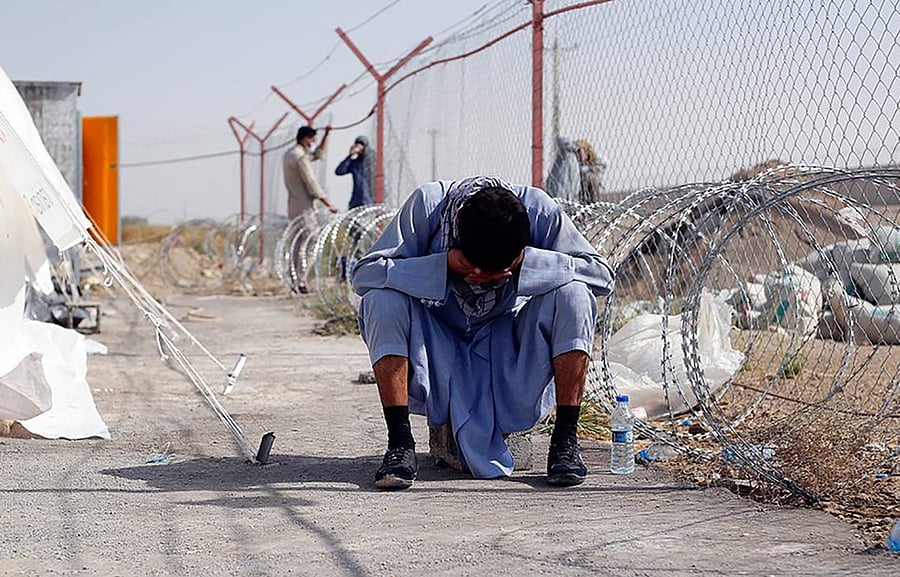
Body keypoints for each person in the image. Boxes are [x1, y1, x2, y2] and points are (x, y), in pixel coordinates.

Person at [351, 176, 614, 490]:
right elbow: (364, 275)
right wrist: (442, 266)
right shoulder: (429, 206)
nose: (482, 279)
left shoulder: (539, 211)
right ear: (457, 231)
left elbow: (601, 276)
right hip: (438, 347)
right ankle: (399, 443)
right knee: (381, 300)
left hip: (508, 349)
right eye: (474, 269)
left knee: (575, 295)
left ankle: (565, 440)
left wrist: (529, 263)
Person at [283, 125, 340, 293]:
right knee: (312, 240)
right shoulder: (300, 158)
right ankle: (301, 280)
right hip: (304, 207)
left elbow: (317, 155)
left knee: (297, 243)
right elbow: (312, 183)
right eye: (312, 140)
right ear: (304, 138)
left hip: (293, 205)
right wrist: (329, 204)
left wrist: (326, 135)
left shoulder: (290, 154)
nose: (313, 143)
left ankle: (294, 278)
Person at [334, 135, 375, 210]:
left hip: (370, 202)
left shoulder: (372, 163)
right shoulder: (355, 164)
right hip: (356, 202)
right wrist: (349, 156)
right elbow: (339, 171)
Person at [545, 136, 580, 202]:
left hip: (569, 198)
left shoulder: (576, 163)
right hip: (558, 196)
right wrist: (576, 148)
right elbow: (561, 140)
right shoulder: (566, 156)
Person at [574, 139, 608, 205]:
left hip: (591, 193)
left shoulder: (595, 164)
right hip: (580, 194)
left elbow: (603, 163)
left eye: (579, 151)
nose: (577, 154)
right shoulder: (575, 165)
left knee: (590, 177)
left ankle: (594, 205)